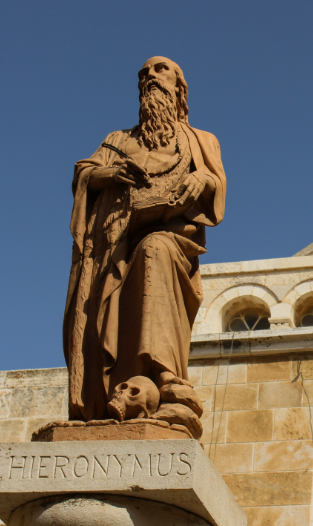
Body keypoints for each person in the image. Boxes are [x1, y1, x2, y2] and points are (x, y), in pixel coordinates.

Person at [64, 56, 226, 422]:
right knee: (123, 277)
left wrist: (202, 179)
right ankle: (122, 388)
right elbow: (84, 173)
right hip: (116, 241)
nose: (149, 76)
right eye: (144, 73)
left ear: (179, 88)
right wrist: (113, 173)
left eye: (159, 70)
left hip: (171, 235)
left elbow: (217, 188)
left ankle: (168, 380)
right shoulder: (118, 140)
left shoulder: (201, 140)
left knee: (156, 249)